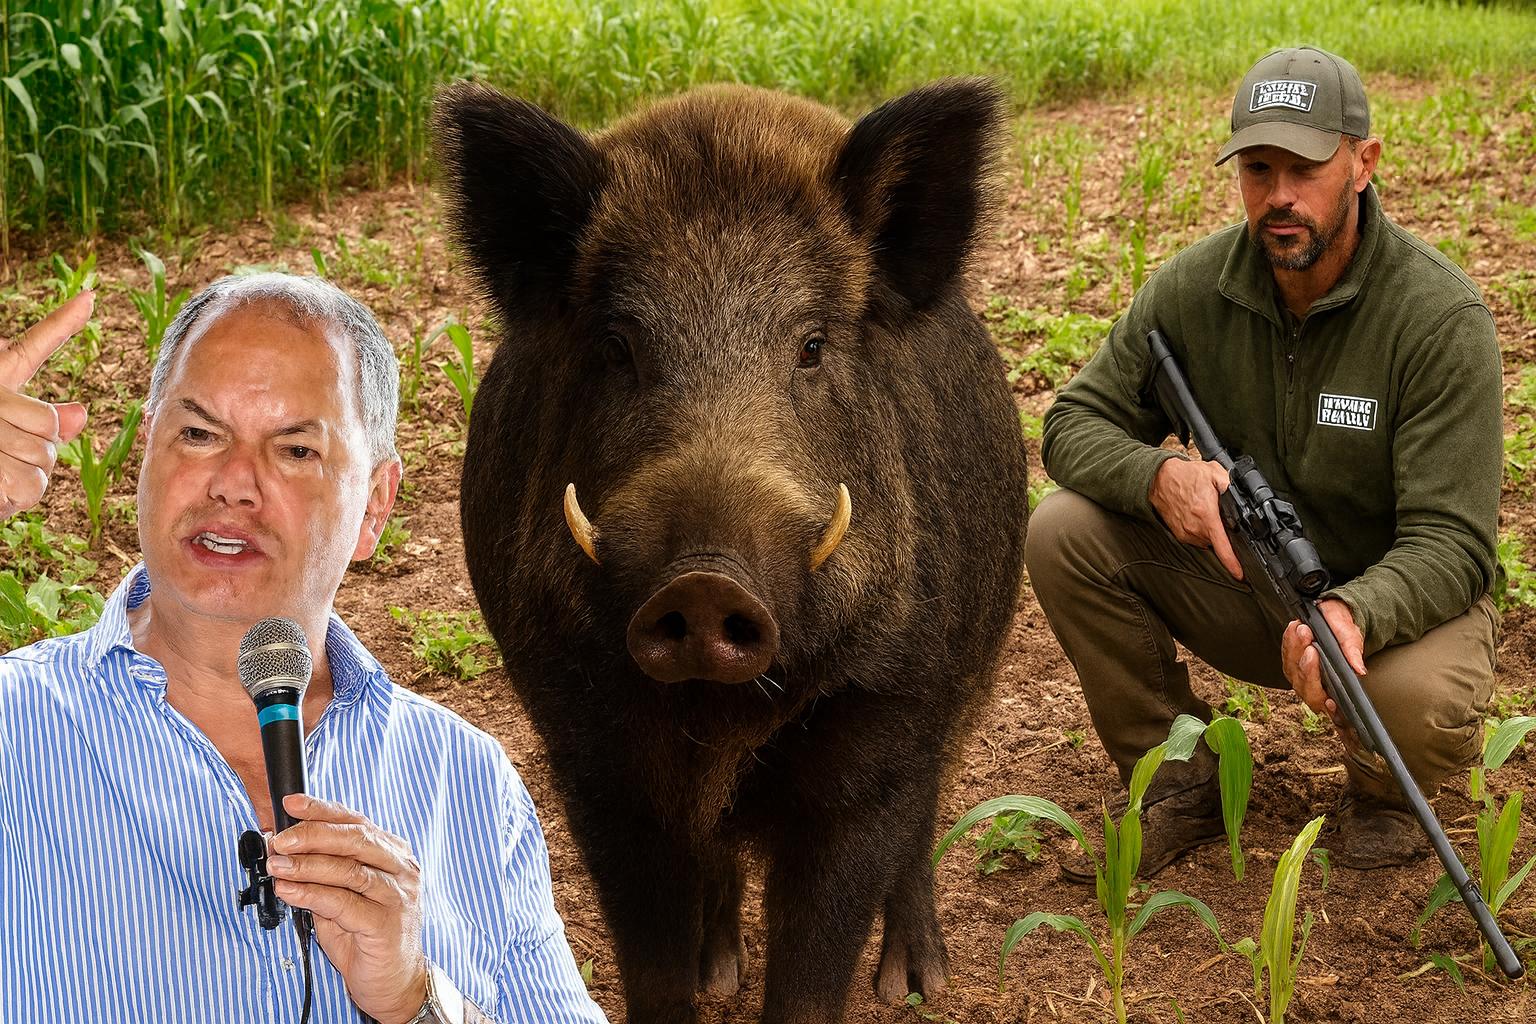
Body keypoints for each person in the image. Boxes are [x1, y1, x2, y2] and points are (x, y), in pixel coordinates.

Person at [0, 274, 609, 1022]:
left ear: (375, 506)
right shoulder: (13, 727)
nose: (233, 483)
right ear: (146, 452)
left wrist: (419, 1000)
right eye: (198, 434)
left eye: (294, 449)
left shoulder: (466, 783)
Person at [1025, 46, 1502, 875]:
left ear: (1363, 162)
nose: (1279, 195)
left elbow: (1453, 545)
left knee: (1415, 704)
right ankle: (1180, 782)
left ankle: (1383, 795)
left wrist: (1357, 614)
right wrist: (1157, 476)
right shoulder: (1192, 290)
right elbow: (1072, 421)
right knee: (1062, 530)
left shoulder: (1439, 318)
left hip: (1391, 618)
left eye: (1305, 169)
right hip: (1248, 588)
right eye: (1257, 168)